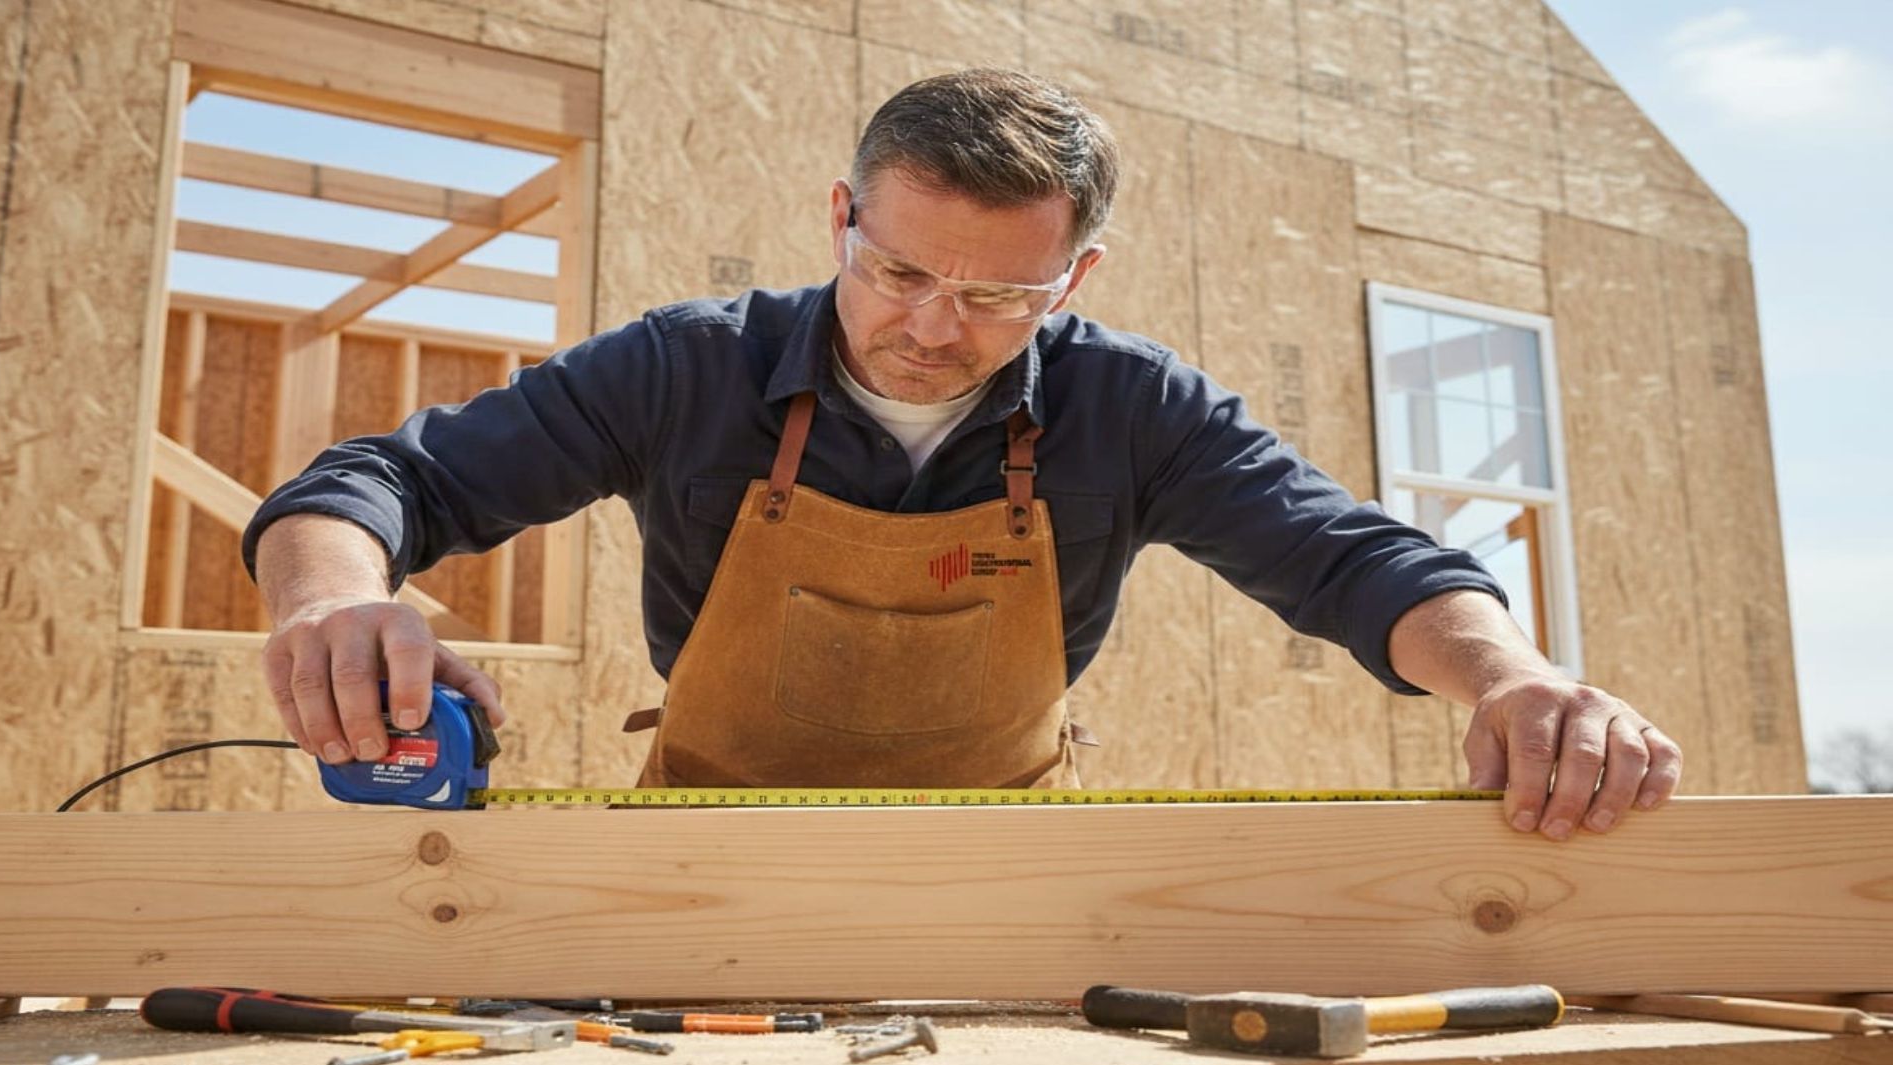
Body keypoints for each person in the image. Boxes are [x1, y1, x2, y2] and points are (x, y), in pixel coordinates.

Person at [244, 68, 1681, 836]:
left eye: (998, 295)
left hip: (1007, 878)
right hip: (704, 862)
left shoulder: (1134, 409)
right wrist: (330, 600)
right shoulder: (689, 366)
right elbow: (380, 485)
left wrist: (1516, 676)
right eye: (898, 273)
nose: (932, 328)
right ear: (840, 221)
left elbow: (1356, 563)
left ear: (1077, 277)